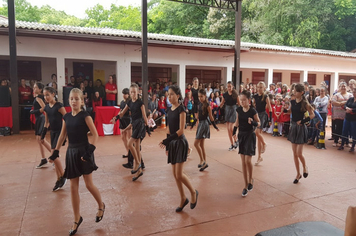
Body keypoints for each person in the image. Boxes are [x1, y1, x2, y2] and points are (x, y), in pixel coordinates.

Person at [48, 88, 104, 235]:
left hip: (84, 152)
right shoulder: (66, 117)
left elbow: (95, 135)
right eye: (71, 99)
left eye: (76, 99)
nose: (74, 101)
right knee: (73, 187)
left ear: (82, 101)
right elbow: (61, 136)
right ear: (68, 101)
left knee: (89, 184)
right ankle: (76, 218)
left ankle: (100, 205)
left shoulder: (85, 116)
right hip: (71, 153)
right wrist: (55, 152)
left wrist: (89, 152)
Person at [159, 85, 198, 212]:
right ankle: (182, 198)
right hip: (172, 143)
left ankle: (193, 192)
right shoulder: (169, 110)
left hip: (180, 143)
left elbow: (181, 130)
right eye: (168, 94)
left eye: (171, 94)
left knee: (179, 174)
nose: (169, 97)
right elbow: (169, 129)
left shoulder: (181, 109)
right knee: (175, 175)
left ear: (178, 96)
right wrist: (167, 144)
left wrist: (167, 140)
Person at [117, 83, 150, 181]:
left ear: (138, 92)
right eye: (131, 92)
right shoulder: (130, 102)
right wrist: (116, 117)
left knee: (129, 143)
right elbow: (122, 113)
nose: (132, 94)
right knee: (137, 148)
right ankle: (139, 171)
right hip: (134, 125)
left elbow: (144, 116)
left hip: (140, 125)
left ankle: (138, 163)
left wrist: (147, 127)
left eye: (134, 92)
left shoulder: (140, 103)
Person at [233, 90, 260, 197]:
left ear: (248, 100)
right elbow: (237, 121)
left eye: (244, 100)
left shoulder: (252, 111)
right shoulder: (239, 110)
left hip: (250, 135)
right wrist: (234, 132)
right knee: (243, 162)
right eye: (241, 100)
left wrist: (252, 122)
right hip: (242, 136)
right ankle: (245, 185)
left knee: (248, 160)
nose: (242, 102)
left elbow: (259, 123)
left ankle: (251, 179)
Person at [287, 83, 314, 184]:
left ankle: (305, 167)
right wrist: (285, 110)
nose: (294, 92)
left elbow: (312, 115)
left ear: (301, 92)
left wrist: (302, 121)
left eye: (296, 91)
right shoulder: (292, 101)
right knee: (294, 153)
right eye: (294, 90)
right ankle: (298, 174)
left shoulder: (304, 103)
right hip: (293, 126)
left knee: (299, 153)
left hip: (301, 127)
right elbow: (291, 112)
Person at [42, 86, 67, 191]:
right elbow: (47, 122)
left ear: (53, 94)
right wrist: (43, 133)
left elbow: (67, 118)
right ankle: (59, 178)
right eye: (44, 95)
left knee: (54, 155)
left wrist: (66, 134)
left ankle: (63, 175)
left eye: (47, 95)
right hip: (53, 133)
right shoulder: (47, 108)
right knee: (54, 157)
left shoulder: (59, 106)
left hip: (60, 133)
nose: (46, 97)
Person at [191, 89, 219, 171]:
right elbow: (198, 116)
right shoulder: (199, 104)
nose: (200, 98)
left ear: (205, 96)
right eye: (199, 96)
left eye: (201, 96)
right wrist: (193, 124)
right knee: (201, 145)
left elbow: (211, 117)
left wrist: (215, 126)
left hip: (204, 124)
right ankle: (204, 162)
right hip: (200, 124)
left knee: (196, 144)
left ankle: (202, 160)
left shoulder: (208, 105)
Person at [30, 82, 51, 168]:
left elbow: (44, 108)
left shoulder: (39, 97)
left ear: (40, 89)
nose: (34, 89)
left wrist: (34, 112)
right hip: (39, 119)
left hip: (41, 118)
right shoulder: (37, 97)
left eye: (36, 88)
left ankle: (54, 155)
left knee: (42, 139)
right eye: (33, 88)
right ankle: (43, 159)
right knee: (39, 139)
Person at [253, 82, 272, 165]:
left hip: (263, 115)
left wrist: (270, 120)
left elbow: (270, 108)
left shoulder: (266, 97)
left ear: (264, 88)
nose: (259, 89)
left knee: (257, 132)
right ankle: (259, 157)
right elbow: (253, 106)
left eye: (261, 87)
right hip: (256, 115)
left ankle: (264, 143)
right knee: (258, 136)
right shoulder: (255, 96)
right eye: (258, 87)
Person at [220, 81, 239, 151]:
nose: (229, 88)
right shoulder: (224, 94)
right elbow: (222, 102)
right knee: (228, 129)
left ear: (233, 86)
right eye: (228, 86)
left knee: (231, 128)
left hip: (234, 110)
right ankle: (232, 144)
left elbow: (239, 104)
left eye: (230, 86)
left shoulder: (235, 94)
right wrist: (218, 108)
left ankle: (236, 140)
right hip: (227, 110)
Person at [331, 82, 352, 147]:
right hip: (338, 115)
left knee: (346, 129)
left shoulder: (350, 95)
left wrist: (340, 103)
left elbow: (351, 103)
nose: (343, 87)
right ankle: (336, 141)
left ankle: (346, 142)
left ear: (347, 87)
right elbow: (333, 102)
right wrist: (343, 103)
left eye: (344, 86)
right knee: (338, 128)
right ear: (339, 88)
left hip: (347, 115)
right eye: (341, 86)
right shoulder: (336, 95)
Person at [338, 88, 356, 152]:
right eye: (353, 92)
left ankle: (353, 147)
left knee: (354, 133)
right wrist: (347, 108)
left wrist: (351, 110)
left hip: (354, 119)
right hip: (347, 118)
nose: (354, 94)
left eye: (355, 92)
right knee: (344, 131)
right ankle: (342, 145)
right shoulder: (351, 99)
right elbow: (345, 105)